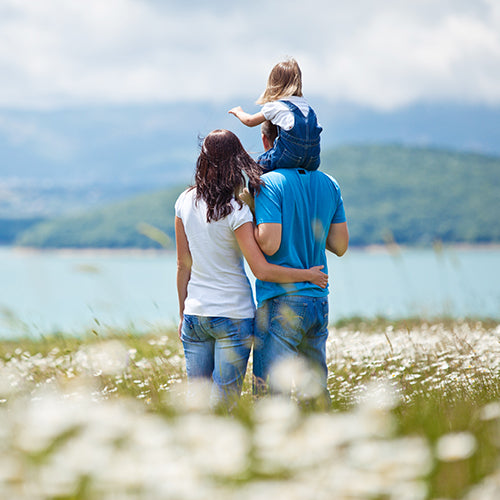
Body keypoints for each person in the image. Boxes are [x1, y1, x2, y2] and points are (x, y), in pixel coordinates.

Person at [175, 129, 329, 409]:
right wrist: (308, 275)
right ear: (235, 162)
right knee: (226, 404)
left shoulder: (184, 201)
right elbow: (262, 270)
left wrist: (183, 312)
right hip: (233, 315)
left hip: (195, 314)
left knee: (195, 403)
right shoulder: (237, 210)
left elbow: (182, 265)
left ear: (203, 159)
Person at [252, 122, 349, 405]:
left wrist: (250, 209)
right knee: (314, 391)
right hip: (318, 299)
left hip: (281, 299)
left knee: (272, 393)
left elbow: (269, 243)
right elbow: (340, 246)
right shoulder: (329, 183)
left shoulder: (269, 183)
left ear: (266, 140)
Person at [228, 57, 322, 174]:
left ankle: (251, 192)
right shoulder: (307, 108)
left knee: (257, 167)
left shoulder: (277, 106)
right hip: (313, 159)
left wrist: (238, 112)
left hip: (289, 156)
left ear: (273, 83)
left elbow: (249, 121)